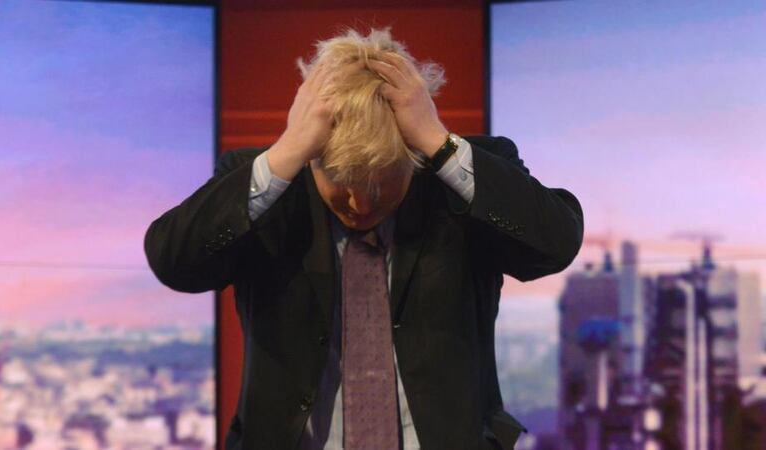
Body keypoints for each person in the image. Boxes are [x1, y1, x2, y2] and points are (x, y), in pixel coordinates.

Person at [144, 27, 583, 450]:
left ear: (412, 157)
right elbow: (173, 261)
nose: (358, 202)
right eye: (339, 179)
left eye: (379, 183)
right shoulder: (268, 179)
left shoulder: (457, 172)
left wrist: (437, 142)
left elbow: (555, 244)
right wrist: (288, 151)